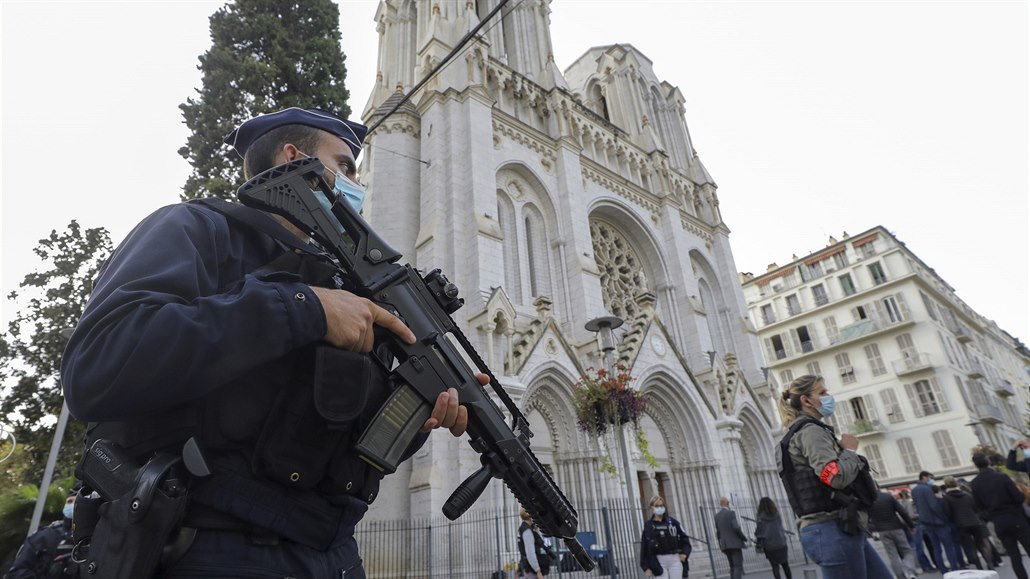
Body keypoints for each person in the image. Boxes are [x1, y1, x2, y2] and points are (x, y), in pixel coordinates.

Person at [60, 108, 490, 577]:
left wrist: (417, 417)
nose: (356, 185)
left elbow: (342, 445)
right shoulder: (198, 229)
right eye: (345, 166)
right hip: (205, 545)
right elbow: (98, 364)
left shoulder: (345, 288)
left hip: (333, 556)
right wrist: (305, 309)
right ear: (295, 157)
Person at [776, 374, 892, 579]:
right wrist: (849, 451)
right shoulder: (811, 431)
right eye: (822, 393)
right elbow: (832, 476)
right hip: (832, 529)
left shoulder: (794, 434)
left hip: (838, 527)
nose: (829, 397)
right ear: (806, 400)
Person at [970, 452, 1030, 579]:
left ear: (976, 465)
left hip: (999, 521)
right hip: (1015, 517)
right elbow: (1018, 497)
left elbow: (978, 507)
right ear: (989, 462)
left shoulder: (974, 483)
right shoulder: (1002, 477)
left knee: (1014, 556)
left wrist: (990, 516)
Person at [5, 492, 78, 578]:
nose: (72, 505)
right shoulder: (45, 536)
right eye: (69, 501)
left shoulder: (93, 539)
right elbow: (16, 572)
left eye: (76, 502)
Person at [911, 470, 963, 573]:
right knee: (949, 546)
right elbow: (933, 505)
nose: (931, 480)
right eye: (930, 478)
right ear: (924, 477)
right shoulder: (927, 489)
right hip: (938, 522)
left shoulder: (914, 490)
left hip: (926, 523)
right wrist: (944, 518)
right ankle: (954, 568)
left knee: (936, 548)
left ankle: (943, 569)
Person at [942, 475, 993, 570]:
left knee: (970, 546)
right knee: (981, 545)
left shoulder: (947, 498)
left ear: (946, 485)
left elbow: (948, 513)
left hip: (961, 524)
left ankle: (979, 568)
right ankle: (989, 564)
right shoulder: (966, 495)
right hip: (975, 521)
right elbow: (975, 508)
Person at [867, 490, 917, 579]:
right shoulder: (887, 496)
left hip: (882, 530)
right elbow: (902, 512)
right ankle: (910, 572)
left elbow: (868, 518)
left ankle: (900, 576)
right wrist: (911, 525)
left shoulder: (868, 500)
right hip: (896, 527)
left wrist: (873, 530)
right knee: (906, 550)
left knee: (892, 555)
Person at [639, 496, 691, 577]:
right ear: (652, 507)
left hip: (674, 558)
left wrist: (685, 553)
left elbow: (684, 538)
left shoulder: (673, 522)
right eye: (657, 506)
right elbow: (645, 546)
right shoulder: (648, 525)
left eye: (661, 506)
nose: (659, 508)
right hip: (659, 560)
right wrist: (646, 567)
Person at [754, 497, 791, 579]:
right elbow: (780, 526)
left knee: (775, 567)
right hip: (781, 542)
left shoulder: (760, 517)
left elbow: (759, 531)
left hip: (769, 545)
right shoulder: (777, 514)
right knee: (786, 565)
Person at [714, 496, 747, 579]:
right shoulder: (731, 513)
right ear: (727, 503)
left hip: (725, 544)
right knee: (737, 566)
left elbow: (718, 532)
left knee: (732, 566)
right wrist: (743, 538)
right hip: (734, 544)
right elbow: (736, 527)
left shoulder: (717, 516)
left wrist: (720, 543)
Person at [517, 508, 551, 578]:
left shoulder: (527, 529)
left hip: (531, 569)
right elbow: (530, 553)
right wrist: (537, 570)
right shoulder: (527, 531)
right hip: (532, 571)